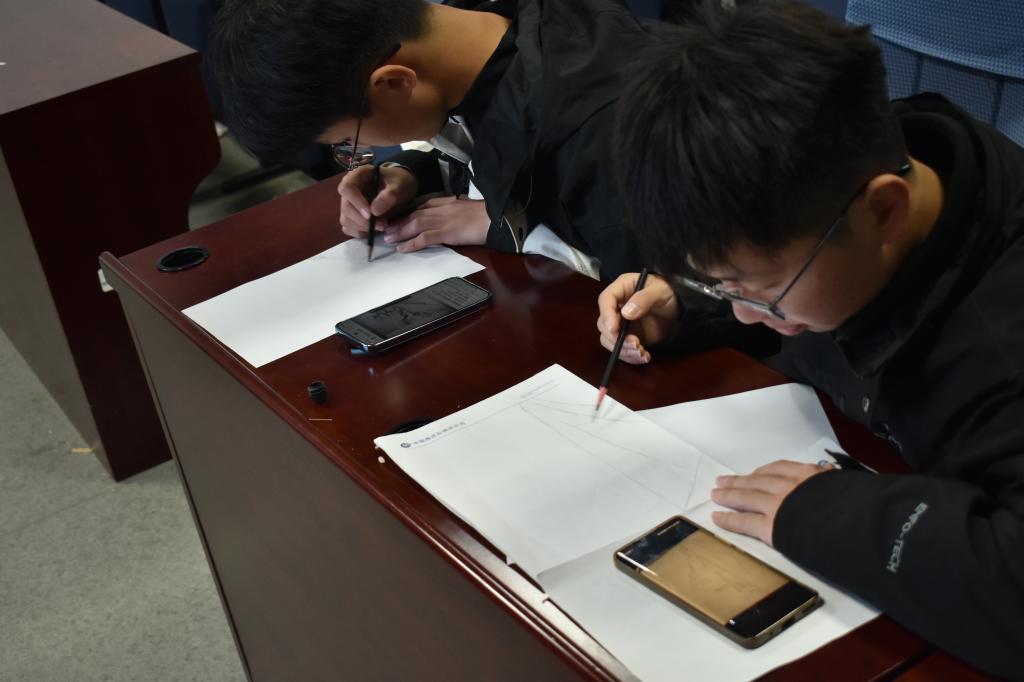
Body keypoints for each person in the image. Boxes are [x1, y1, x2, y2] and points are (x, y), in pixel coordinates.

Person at [596, 1, 1024, 676]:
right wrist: (689, 307)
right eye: (726, 287)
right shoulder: (835, 172)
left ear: (885, 211)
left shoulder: (1002, 341)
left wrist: (827, 518)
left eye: (758, 292)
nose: (746, 314)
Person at [207, 0, 652, 281]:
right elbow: (482, 137)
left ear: (394, 82)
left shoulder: (602, 124)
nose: (353, 154)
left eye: (346, 141)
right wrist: (412, 174)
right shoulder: (469, 33)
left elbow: (652, 292)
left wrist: (504, 228)